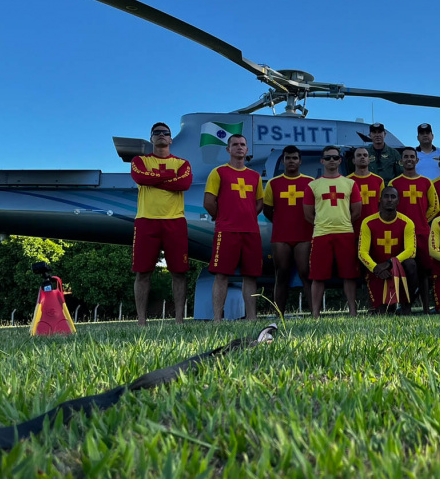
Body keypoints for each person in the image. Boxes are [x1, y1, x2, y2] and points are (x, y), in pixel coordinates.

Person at [130, 122, 192, 326]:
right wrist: (169, 178)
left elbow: (184, 183)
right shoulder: (140, 161)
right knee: (142, 272)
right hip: (146, 220)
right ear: (151, 138)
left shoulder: (182, 163)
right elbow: (140, 177)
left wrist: (154, 179)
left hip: (175, 221)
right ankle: (141, 321)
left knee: (179, 272)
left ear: (171, 139)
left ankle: (179, 320)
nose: (161, 135)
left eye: (165, 132)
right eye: (156, 133)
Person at [203, 134, 263, 321]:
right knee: (221, 275)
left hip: (251, 232)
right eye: (235, 144)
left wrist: (247, 216)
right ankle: (217, 319)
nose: (239, 147)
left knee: (250, 276)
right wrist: (222, 217)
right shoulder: (218, 172)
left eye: (242, 144)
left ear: (247, 150)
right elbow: (208, 202)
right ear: (228, 149)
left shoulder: (255, 176)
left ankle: (251, 317)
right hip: (226, 231)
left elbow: (259, 203)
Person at [304, 145, 362, 317]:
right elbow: (308, 214)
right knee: (317, 276)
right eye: (328, 157)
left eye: (335, 157)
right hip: (321, 234)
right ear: (322, 161)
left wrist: (343, 222)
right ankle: (315, 314)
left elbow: (357, 211)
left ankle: (353, 311)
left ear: (340, 160)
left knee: (349, 274)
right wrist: (322, 224)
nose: (331, 160)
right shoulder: (313, 185)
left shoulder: (350, 184)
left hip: (345, 232)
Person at [263, 145, 314, 314]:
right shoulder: (273, 183)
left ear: (300, 161)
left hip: (304, 235)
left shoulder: (310, 182)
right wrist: (281, 222)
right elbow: (268, 210)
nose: (291, 161)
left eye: (294, 158)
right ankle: (279, 314)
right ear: (283, 161)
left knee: (306, 273)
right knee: (282, 274)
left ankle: (315, 314)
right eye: (288, 158)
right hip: (281, 236)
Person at [390, 148, 439, 312]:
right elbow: (390, 206)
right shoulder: (394, 183)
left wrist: (423, 219)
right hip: (401, 233)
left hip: (422, 232)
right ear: (401, 161)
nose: (409, 159)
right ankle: (405, 306)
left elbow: (435, 206)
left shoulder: (426, 182)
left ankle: (426, 307)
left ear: (417, 160)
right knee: (404, 268)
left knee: (425, 271)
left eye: (412, 156)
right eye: (406, 157)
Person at [358, 186, 418, 315]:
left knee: (411, 264)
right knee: (383, 312)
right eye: (386, 196)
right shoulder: (368, 222)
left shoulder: (407, 222)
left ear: (398, 201)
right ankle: (377, 305)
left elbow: (411, 250)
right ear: (380, 200)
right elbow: (362, 252)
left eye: (393, 197)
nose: (389, 200)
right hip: (377, 269)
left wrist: (390, 263)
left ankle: (406, 305)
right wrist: (376, 268)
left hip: (398, 269)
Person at [348, 146, 385, 230]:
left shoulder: (379, 180)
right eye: (359, 155)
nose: (362, 157)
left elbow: (382, 206)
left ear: (369, 160)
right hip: (353, 226)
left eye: (365, 155)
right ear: (353, 160)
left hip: (374, 227)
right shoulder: (347, 181)